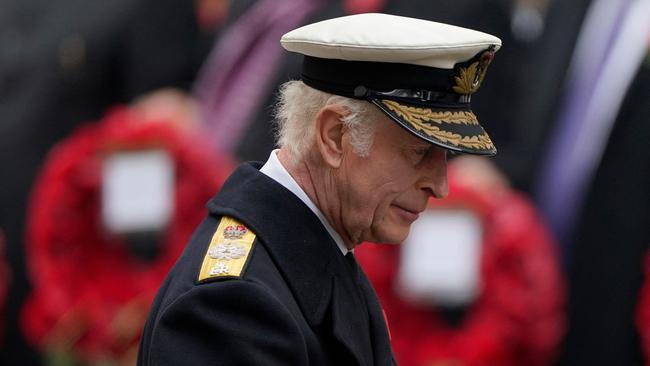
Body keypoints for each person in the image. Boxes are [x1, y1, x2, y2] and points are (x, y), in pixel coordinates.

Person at [138, 13, 501, 366]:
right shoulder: (233, 305)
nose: (440, 185)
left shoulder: (313, 254)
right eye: (419, 152)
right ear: (334, 136)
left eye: (446, 156)